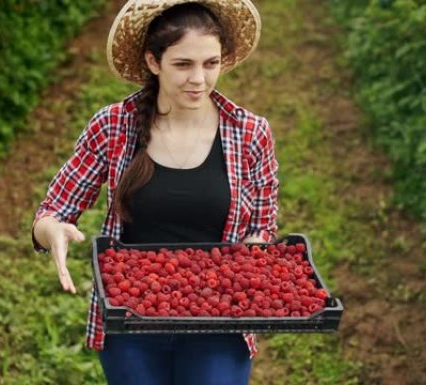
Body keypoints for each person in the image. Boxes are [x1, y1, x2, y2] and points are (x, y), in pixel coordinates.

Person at [31, 0, 278, 384]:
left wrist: (254, 252)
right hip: (132, 320)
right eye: (183, 64)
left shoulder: (250, 133)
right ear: (153, 62)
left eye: (210, 63)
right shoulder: (113, 125)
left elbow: (262, 227)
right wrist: (52, 232)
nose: (198, 78)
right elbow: (53, 211)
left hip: (218, 320)